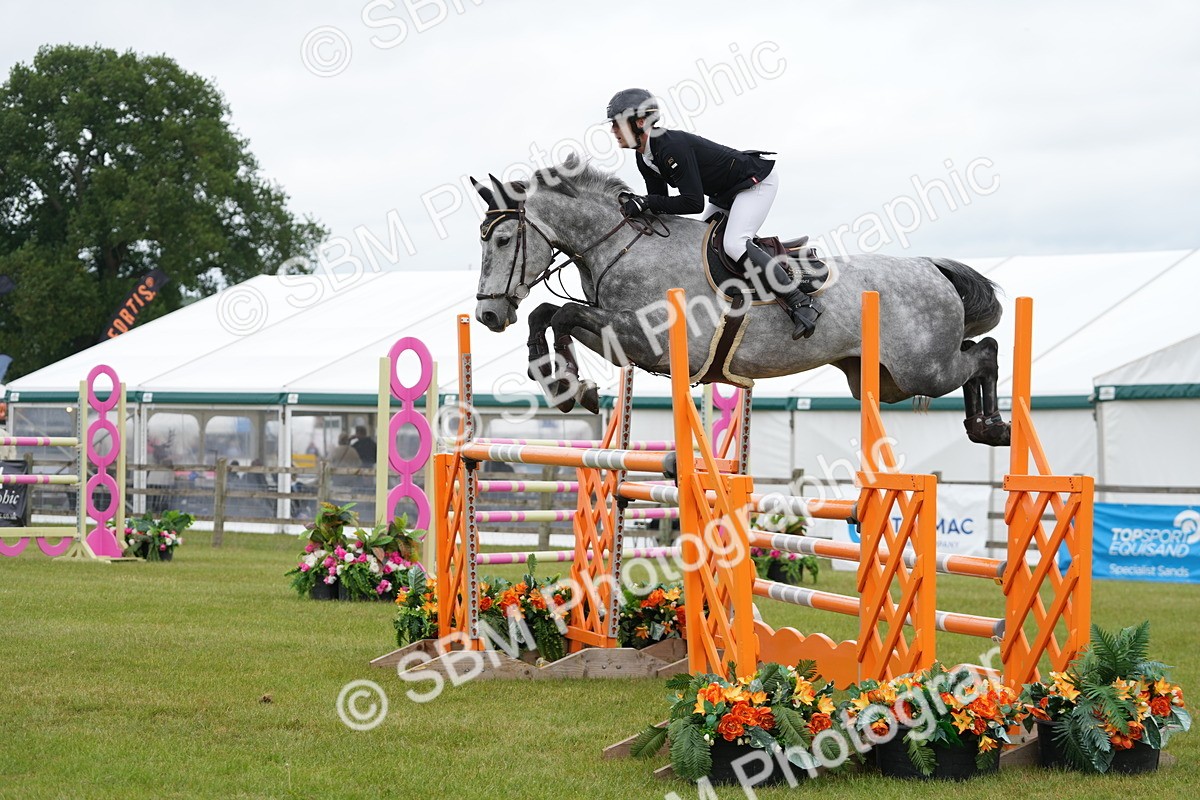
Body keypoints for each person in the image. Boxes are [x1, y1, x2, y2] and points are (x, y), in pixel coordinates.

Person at [606, 87, 820, 339]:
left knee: (734, 244)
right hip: (726, 193)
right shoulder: (644, 158)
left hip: (754, 183)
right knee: (698, 246)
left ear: (640, 122)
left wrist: (647, 201)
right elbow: (660, 204)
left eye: (617, 124)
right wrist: (640, 205)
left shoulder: (671, 145)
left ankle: (800, 302)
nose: (613, 131)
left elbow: (693, 203)